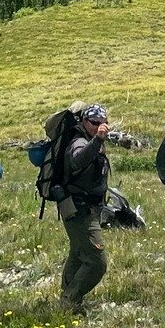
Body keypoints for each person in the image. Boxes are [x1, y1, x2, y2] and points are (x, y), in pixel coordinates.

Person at [59, 104, 111, 312]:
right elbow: (78, 159)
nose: (99, 126)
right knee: (97, 262)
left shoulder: (90, 138)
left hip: (89, 208)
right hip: (79, 209)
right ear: (84, 122)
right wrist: (98, 139)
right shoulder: (78, 141)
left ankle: (66, 298)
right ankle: (71, 298)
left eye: (102, 123)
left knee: (78, 253)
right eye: (94, 123)